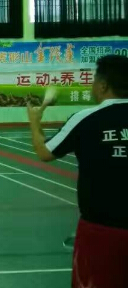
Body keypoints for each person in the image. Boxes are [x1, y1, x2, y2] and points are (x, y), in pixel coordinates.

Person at [27, 54, 128, 288]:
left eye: (94, 81)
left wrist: (34, 121)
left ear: (103, 85)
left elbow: (44, 152)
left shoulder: (85, 119)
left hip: (100, 232)